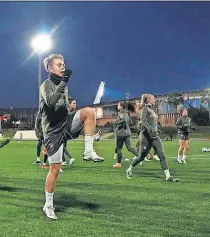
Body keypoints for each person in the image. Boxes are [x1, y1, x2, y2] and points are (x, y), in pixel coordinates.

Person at [40, 54, 104, 220]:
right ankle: (48, 205)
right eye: (59, 65)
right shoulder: (46, 84)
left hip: (65, 124)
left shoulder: (64, 86)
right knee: (55, 169)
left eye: (63, 64)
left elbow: (63, 108)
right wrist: (63, 84)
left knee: (89, 111)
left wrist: (74, 116)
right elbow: (51, 103)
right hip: (53, 131)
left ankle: (88, 151)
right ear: (50, 68)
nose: (63, 67)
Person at [126, 94, 178, 182]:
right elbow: (142, 121)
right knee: (141, 157)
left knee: (161, 155)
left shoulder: (152, 110)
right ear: (149, 100)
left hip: (155, 137)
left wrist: (157, 130)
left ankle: (168, 176)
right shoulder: (145, 109)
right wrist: (151, 129)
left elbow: (152, 123)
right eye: (153, 99)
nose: (155, 100)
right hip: (146, 137)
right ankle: (129, 169)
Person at [113, 101, 139, 168]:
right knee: (129, 148)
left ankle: (118, 164)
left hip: (121, 134)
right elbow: (129, 121)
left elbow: (124, 120)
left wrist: (116, 123)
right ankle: (140, 157)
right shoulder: (126, 112)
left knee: (119, 149)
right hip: (127, 133)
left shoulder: (122, 112)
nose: (117, 106)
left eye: (118, 105)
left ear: (121, 106)